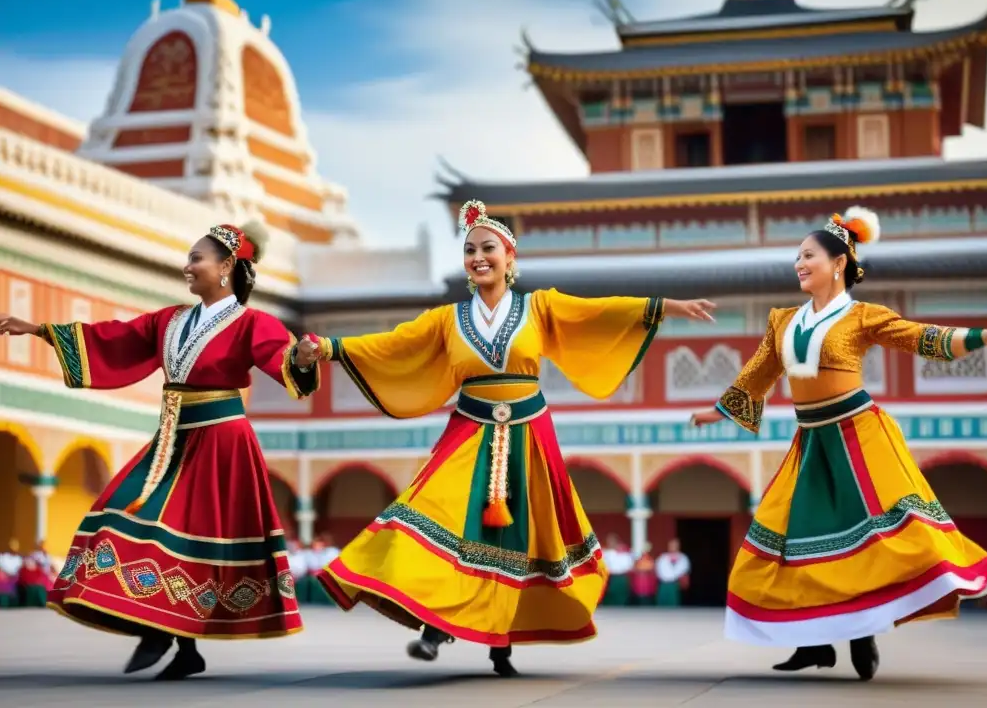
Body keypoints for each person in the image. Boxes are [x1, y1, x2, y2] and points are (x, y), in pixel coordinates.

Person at [301, 199, 717, 676]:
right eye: (470, 250)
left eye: (488, 248)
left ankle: (502, 643)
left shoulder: (539, 307)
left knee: (520, 535)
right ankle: (436, 626)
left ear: (510, 257)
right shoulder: (445, 319)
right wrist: (331, 347)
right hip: (468, 432)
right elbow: (395, 342)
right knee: (437, 515)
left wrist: (664, 307)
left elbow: (596, 313)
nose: (478, 257)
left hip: (528, 437)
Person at [691, 207, 987, 681]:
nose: (798, 264)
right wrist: (718, 410)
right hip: (811, 440)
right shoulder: (783, 320)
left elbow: (921, 339)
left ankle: (865, 631)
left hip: (858, 435)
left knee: (880, 537)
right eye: (796, 257)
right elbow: (759, 373)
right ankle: (814, 644)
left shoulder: (863, 316)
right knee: (792, 540)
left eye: (807, 255)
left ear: (838, 262)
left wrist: (983, 335)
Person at [0, 222, 322, 680]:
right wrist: (38, 329)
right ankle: (171, 637)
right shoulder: (170, 320)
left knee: (188, 538)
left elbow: (282, 359)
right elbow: (114, 337)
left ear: (227, 266)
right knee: (118, 512)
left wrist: (302, 359)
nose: (187, 266)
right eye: (188, 258)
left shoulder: (253, 323)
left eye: (196, 258)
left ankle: (171, 638)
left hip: (220, 440)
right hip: (172, 436)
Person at [655, 538, 691, 607]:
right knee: (661, 605)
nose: (673, 547)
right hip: (663, 584)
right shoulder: (662, 558)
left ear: (678, 546)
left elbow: (685, 571)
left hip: (675, 585)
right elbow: (657, 570)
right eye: (671, 545)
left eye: (675, 545)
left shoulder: (683, 558)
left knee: (673, 605)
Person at [600, 533, 634, 607]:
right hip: (609, 577)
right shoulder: (605, 553)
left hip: (621, 577)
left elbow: (629, 565)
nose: (611, 543)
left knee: (621, 598)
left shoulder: (624, 553)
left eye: (613, 541)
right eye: (609, 541)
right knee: (609, 598)